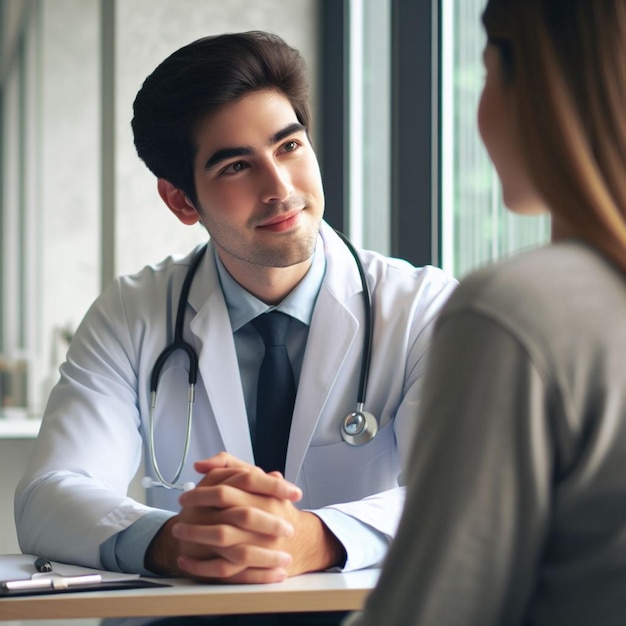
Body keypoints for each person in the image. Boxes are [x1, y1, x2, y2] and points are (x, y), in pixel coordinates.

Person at [14, 31, 457, 625]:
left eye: (290, 146)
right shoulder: (133, 312)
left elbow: (465, 492)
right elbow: (48, 495)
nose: (280, 189)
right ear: (181, 202)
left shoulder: (423, 307)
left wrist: (315, 538)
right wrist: (170, 540)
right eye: (236, 166)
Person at [342, 1, 626, 625]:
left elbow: (436, 610)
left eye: (486, 72)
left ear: (537, 85)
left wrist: (322, 532)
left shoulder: (516, 313)